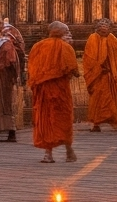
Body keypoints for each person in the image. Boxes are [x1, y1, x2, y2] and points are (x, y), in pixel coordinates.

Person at [29, 21, 81, 164]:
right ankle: (69, 151)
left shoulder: (37, 47)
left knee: (46, 120)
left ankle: (48, 154)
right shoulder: (65, 47)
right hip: (60, 91)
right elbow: (74, 71)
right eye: (67, 31)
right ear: (61, 33)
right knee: (63, 119)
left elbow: (32, 69)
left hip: (43, 91)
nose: (68, 33)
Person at [82, 17, 117, 132]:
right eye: (101, 26)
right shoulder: (92, 38)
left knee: (111, 101)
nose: (103, 28)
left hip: (111, 76)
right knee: (96, 100)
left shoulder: (113, 39)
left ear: (110, 29)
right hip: (98, 76)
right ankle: (96, 124)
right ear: (97, 28)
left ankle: (114, 123)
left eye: (106, 26)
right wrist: (99, 68)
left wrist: (116, 70)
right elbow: (89, 58)